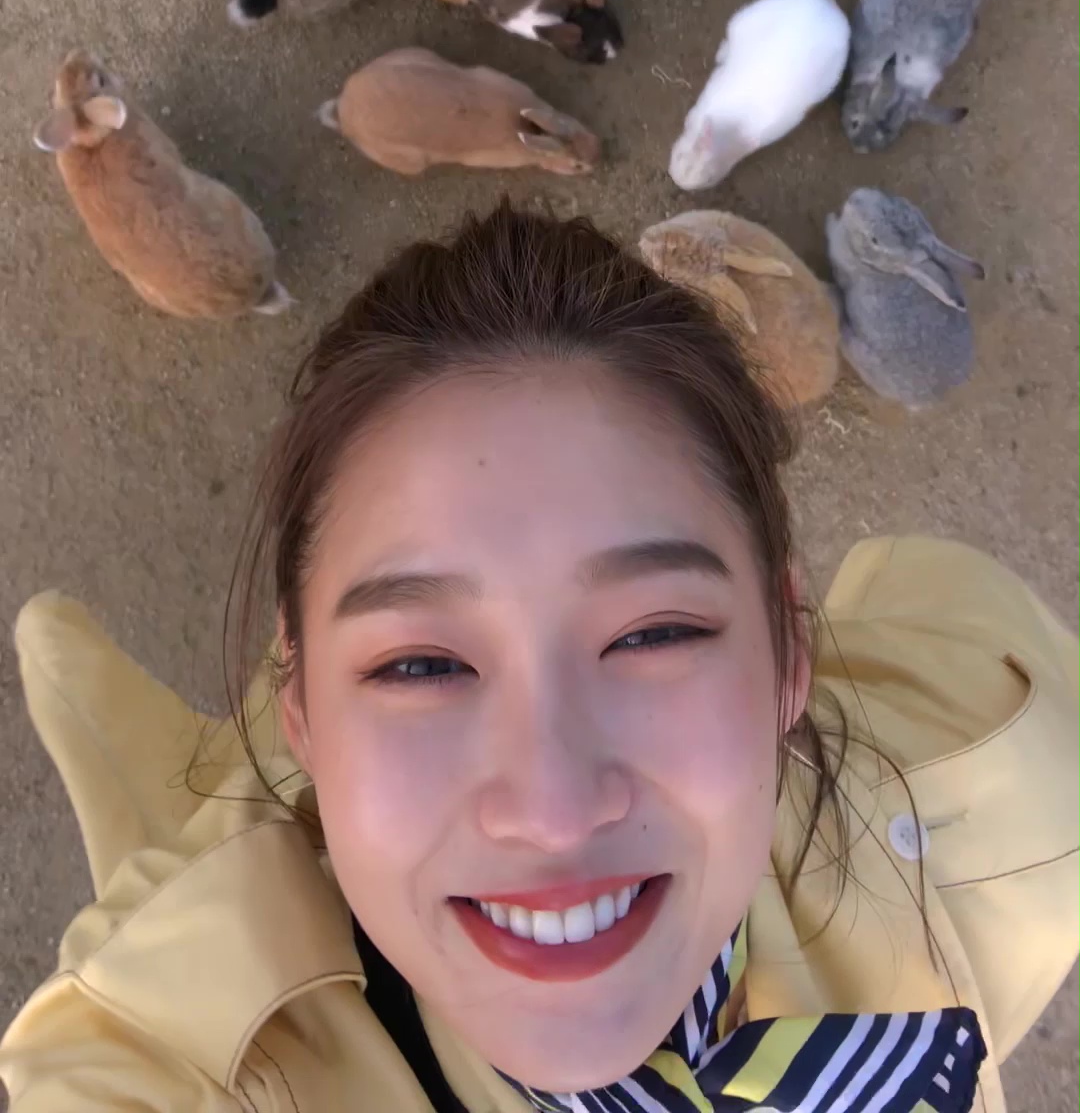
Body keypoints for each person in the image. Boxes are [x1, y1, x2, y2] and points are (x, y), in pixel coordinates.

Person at [2, 202, 1079, 1113]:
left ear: (790, 650)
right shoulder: (157, 1067)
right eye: (419, 664)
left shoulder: (1025, 796)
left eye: (653, 634)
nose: (555, 812)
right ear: (302, 702)